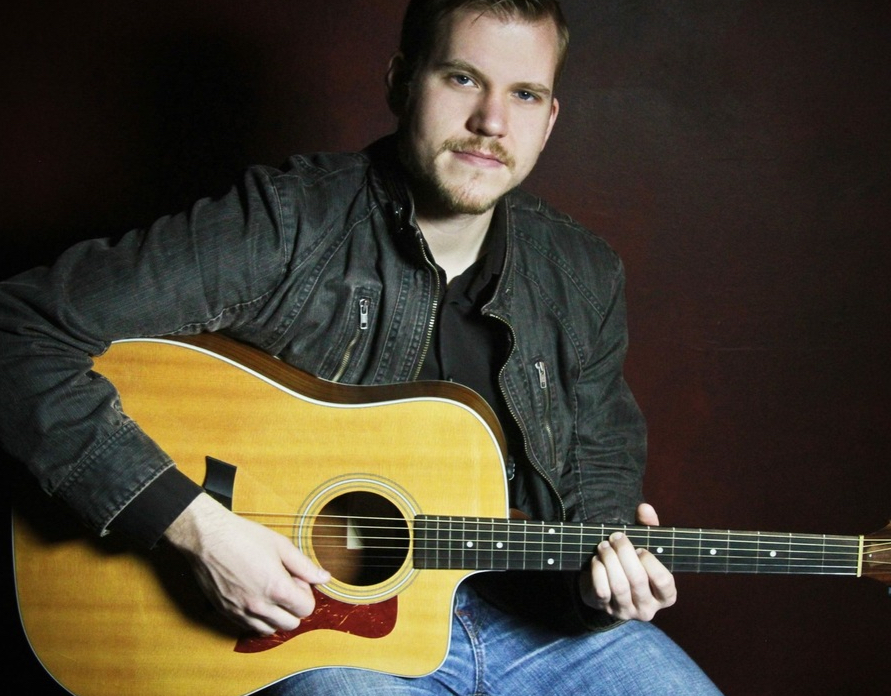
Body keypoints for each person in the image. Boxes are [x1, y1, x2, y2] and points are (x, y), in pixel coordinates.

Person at [0, 1, 722, 694]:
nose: (491, 122)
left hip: (528, 623)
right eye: (462, 78)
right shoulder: (288, 223)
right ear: (401, 82)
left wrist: (607, 588)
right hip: (315, 632)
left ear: (549, 119)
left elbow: (599, 483)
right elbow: (17, 328)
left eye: (524, 94)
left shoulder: (584, 275)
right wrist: (195, 528)